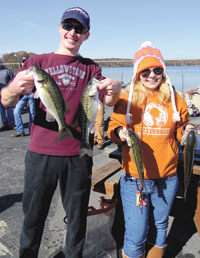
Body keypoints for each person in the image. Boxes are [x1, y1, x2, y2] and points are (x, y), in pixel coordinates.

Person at [1, 7, 121, 258]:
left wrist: (116, 87)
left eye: (80, 29)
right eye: (69, 26)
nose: (73, 32)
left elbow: (109, 101)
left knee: (77, 219)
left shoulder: (91, 68)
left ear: (86, 35)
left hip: (78, 154)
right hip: (40, 152)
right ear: (59, 27)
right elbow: (7, 100)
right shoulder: (37, 63)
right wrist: (13, 88)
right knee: (32, 217)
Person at [107, 41, 195, 258]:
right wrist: (120, 133)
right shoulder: (127, 98)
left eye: (157, 70)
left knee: (160, 226)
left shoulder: (175, 99)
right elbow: (112, 128)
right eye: (145, 71)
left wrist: (187, 129)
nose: (151, 75)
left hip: (168, 177)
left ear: (163, 72)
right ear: (137, 73)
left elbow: (180, 127)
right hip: (136, 179)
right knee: (136, 233)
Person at [11, 56, 36, 137]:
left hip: (31, 95)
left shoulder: (33, 72)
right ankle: (20, 130)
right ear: (20, 63)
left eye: (25, 61)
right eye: (23, 61)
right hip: (22, 96)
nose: (24, 63)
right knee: (16, 112)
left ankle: (31, 130)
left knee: (32, 113)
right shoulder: (18, 73)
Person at [0, 58, 15, 131]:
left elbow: (13, 80)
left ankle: (11, 124)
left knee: (9, 109)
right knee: (1, 110)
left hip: (7, 93)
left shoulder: (7, 71)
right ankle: (5, 124)